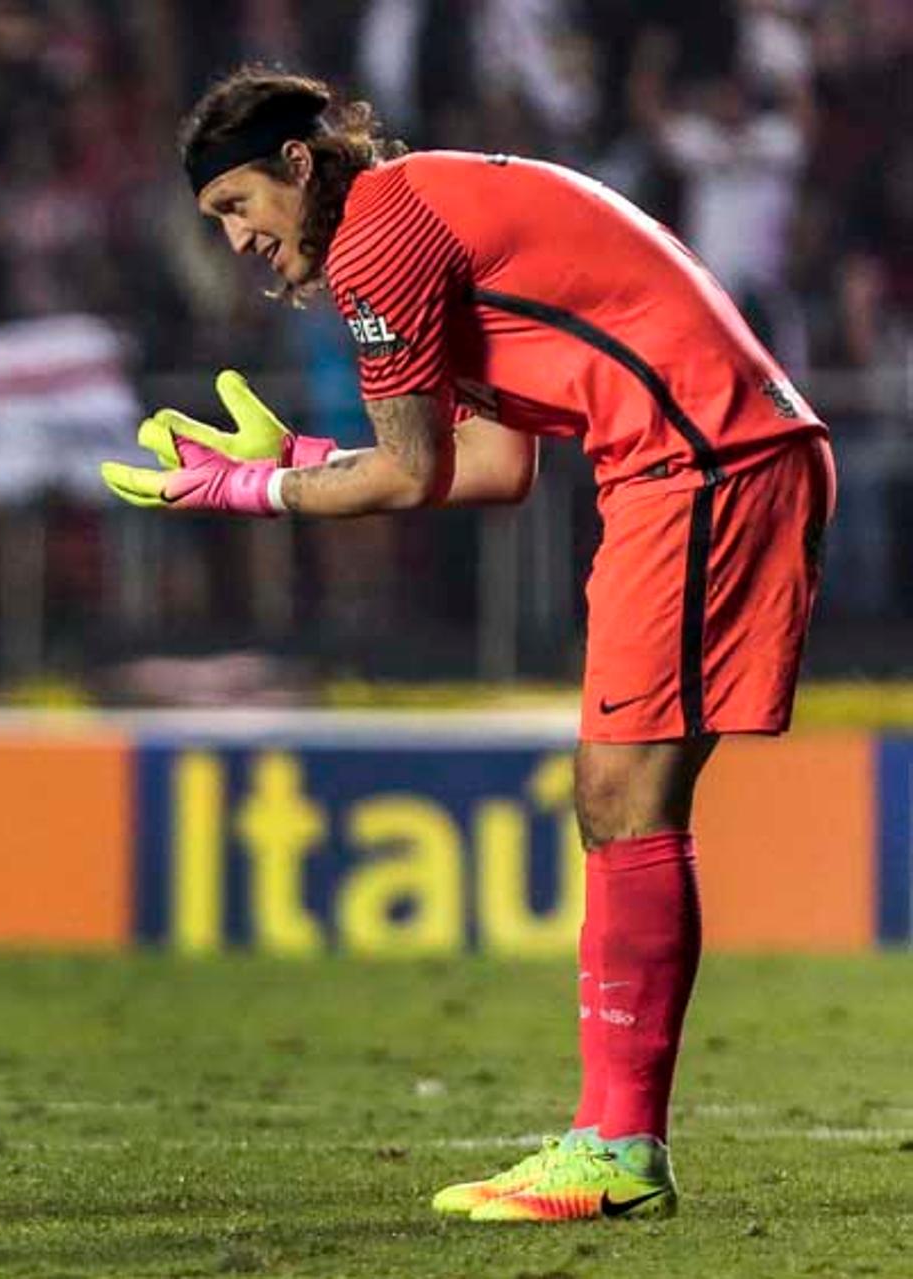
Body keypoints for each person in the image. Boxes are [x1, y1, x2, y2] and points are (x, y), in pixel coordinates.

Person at [102, 68, 834, 1222]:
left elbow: (407, 468)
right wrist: (295, 458)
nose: (239, 239)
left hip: (704, 458)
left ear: (299, 164)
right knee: (615, 796)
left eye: (238, 205)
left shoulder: (380, 234)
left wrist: (251, 492)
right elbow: (488, 468)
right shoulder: (425, 211)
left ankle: (622, 1146)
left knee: (625, 794)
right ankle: (611, 1135)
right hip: (683, 459)